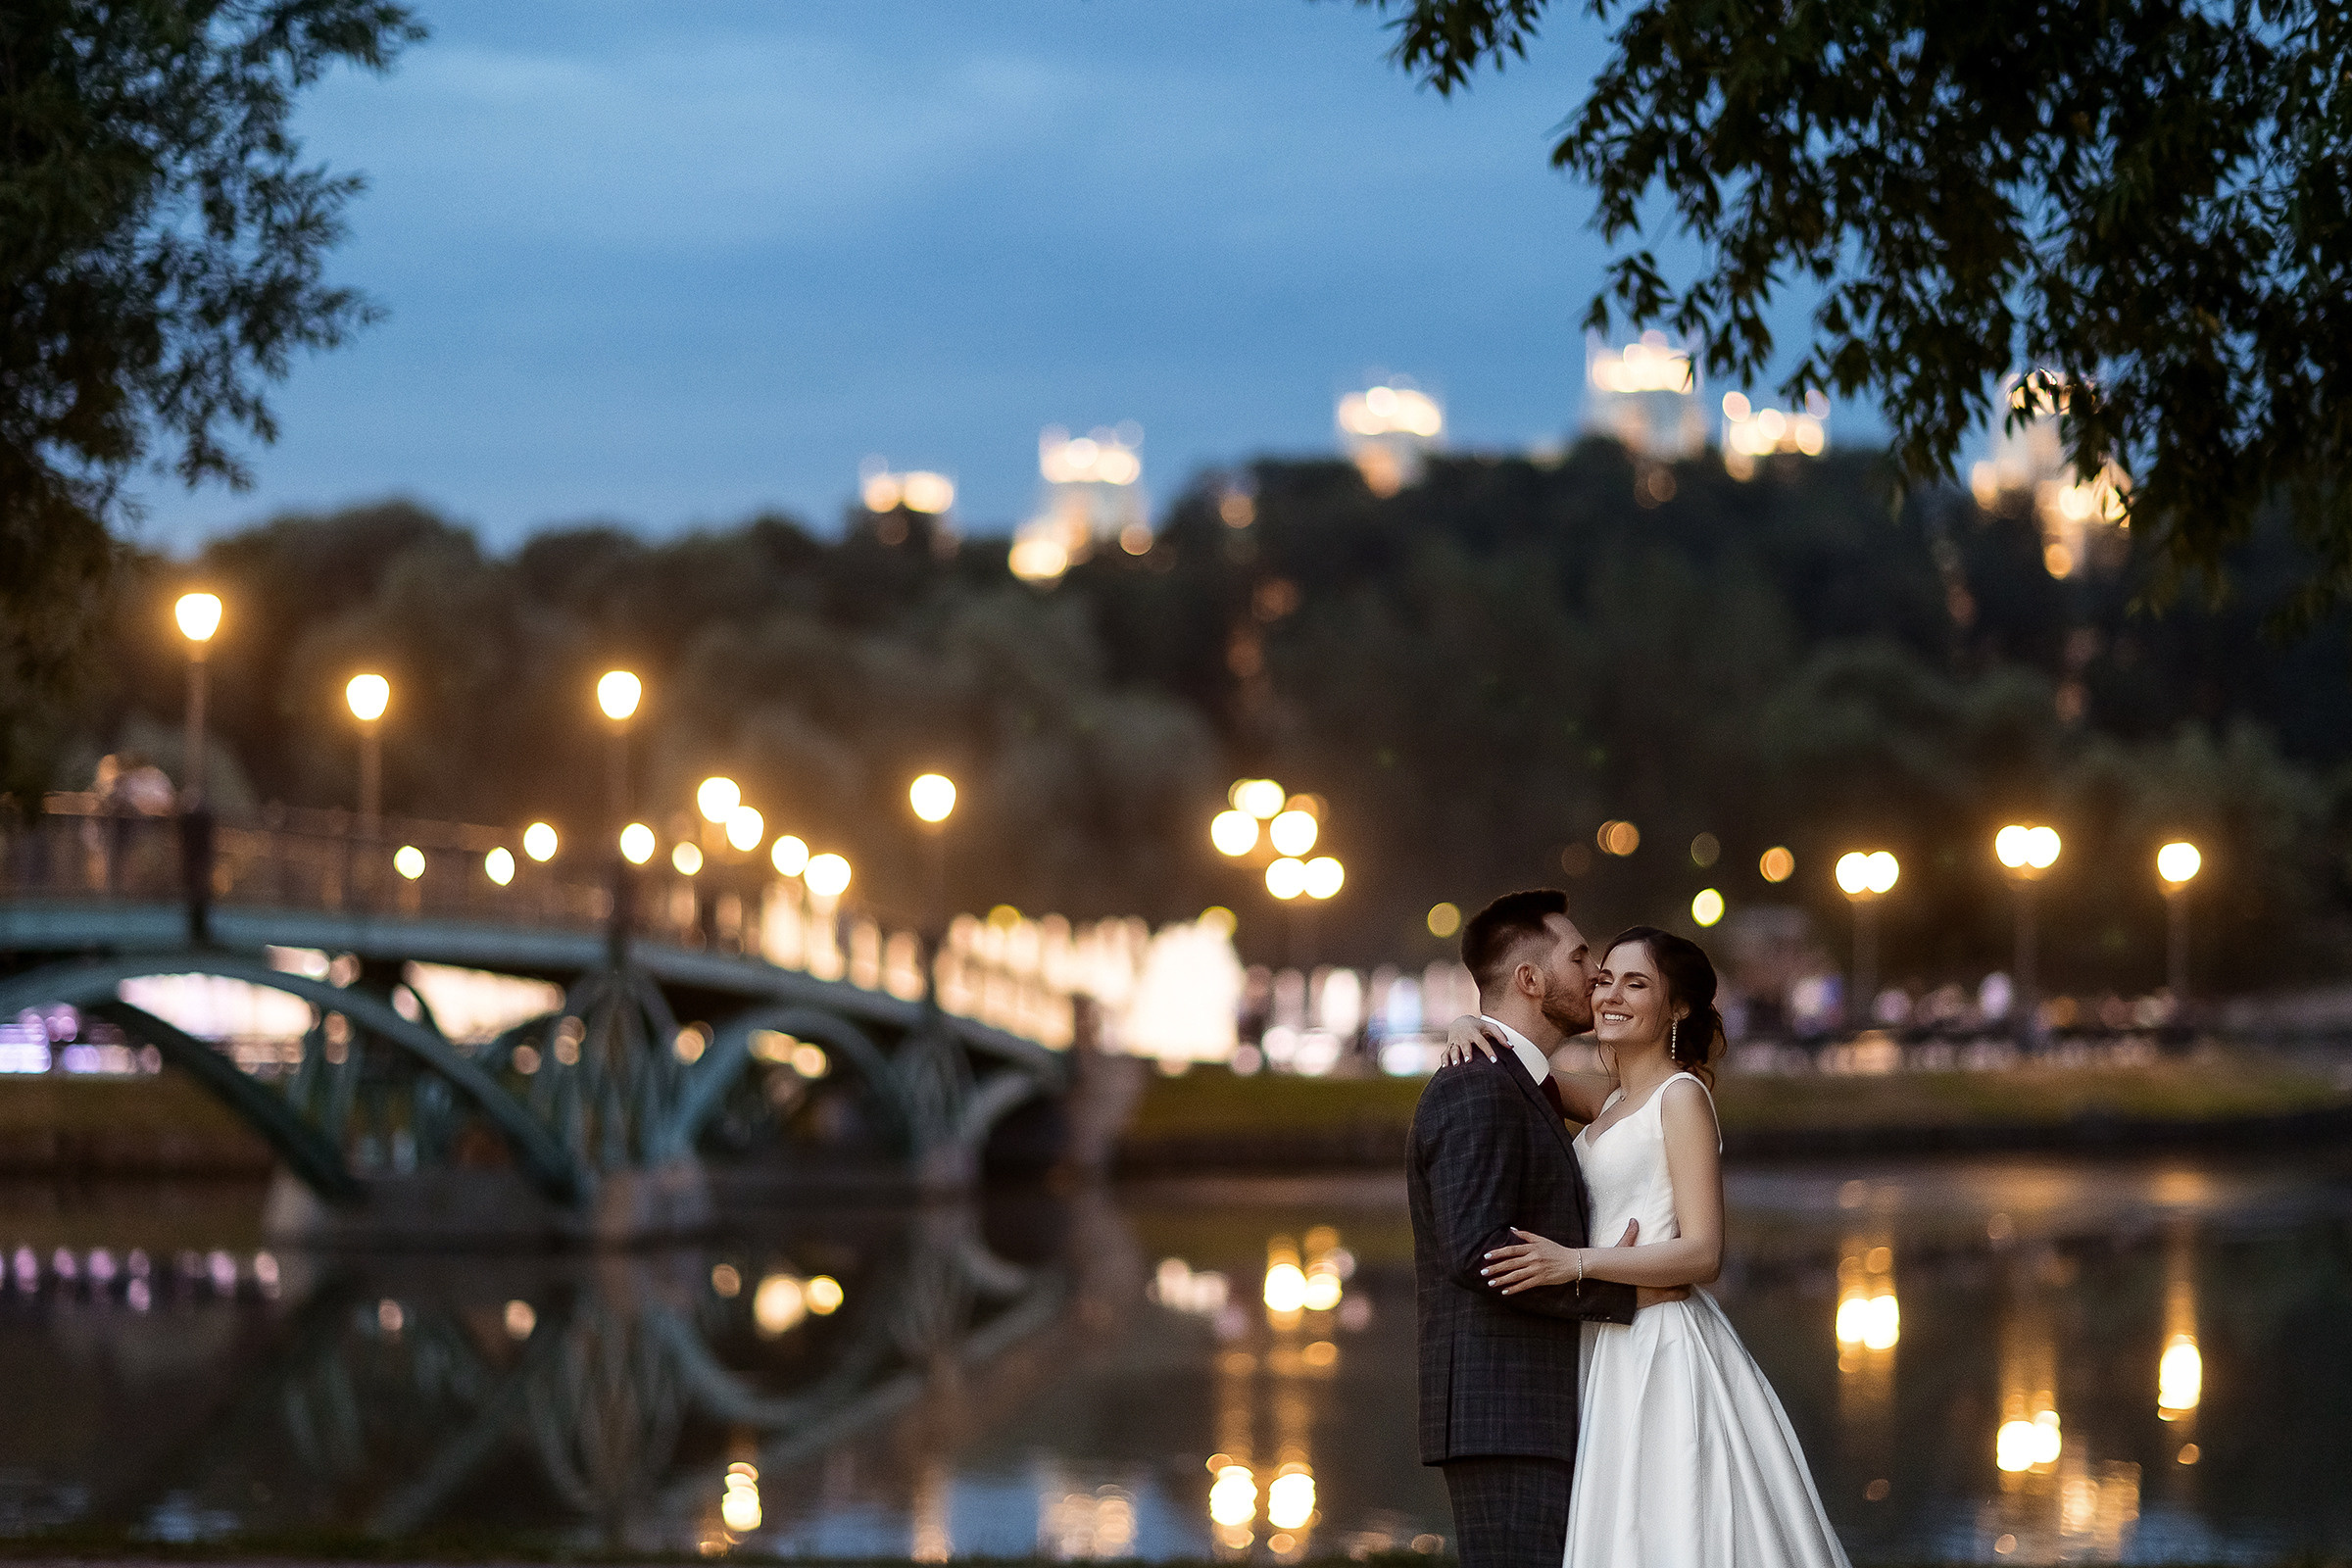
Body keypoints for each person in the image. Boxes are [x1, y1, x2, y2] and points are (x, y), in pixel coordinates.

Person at [1443, 926, 1851, 1567]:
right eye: (1605, 979)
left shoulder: (1681, 1097)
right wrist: (1468, 1022)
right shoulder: (1607, 1101)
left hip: (1664, 1344)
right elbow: (1520, 1072)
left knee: (1676, 1525)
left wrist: (1573, 1261)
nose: (1610, 995)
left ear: (1677, 1008)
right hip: (1608, 1342)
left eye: (1636, 983)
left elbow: (1703, 1254)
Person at [1406, 891, 1686, 1568]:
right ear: (1530, 980)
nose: (1595, 976)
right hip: (1505, 1416)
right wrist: (1617, 1291)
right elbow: (1476, 1251)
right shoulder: (1479, 1086)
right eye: (1581, 957)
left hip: (1539, 1410)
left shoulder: (1521, 1082)